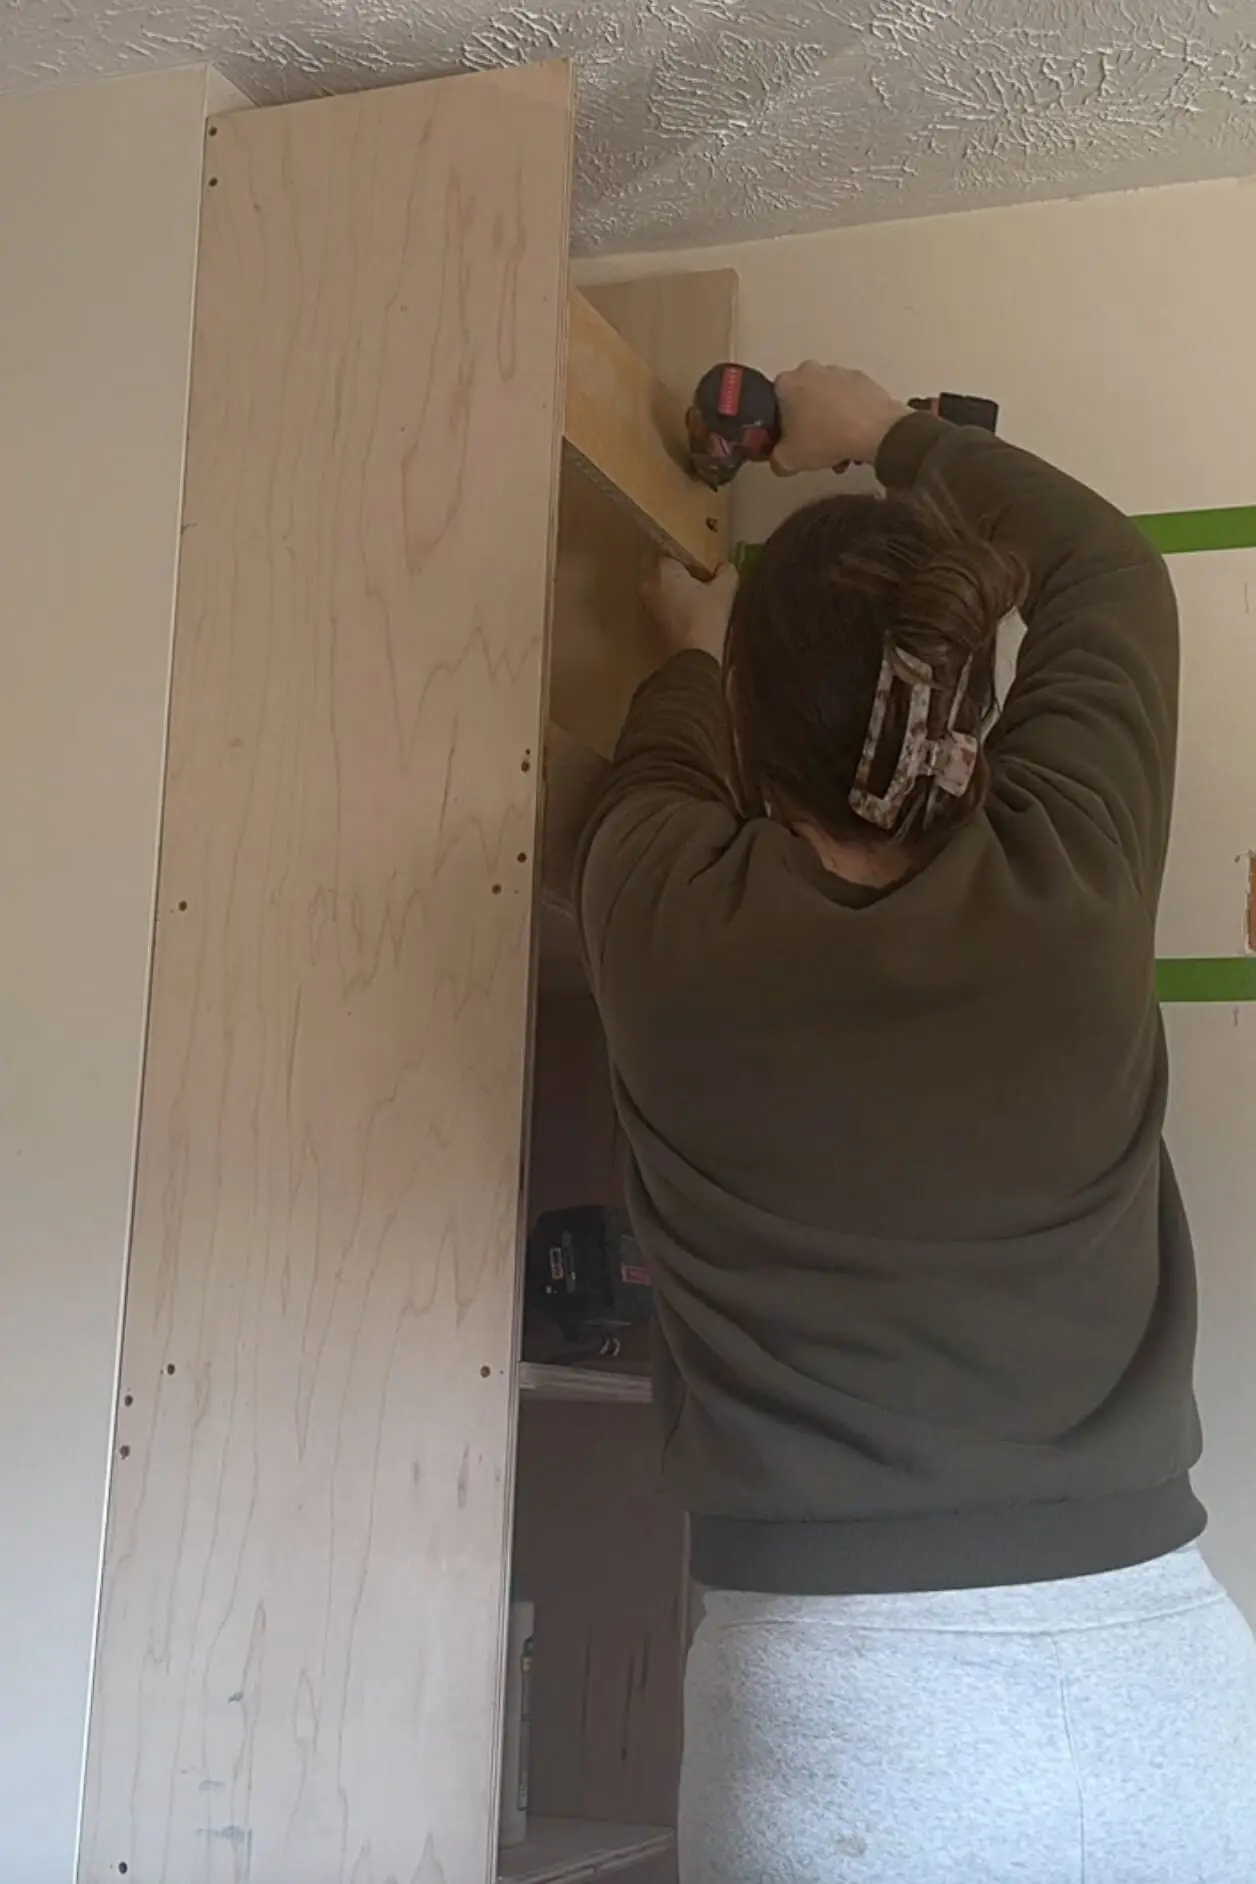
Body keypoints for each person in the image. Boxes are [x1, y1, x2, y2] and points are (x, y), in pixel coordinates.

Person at [572, 363, 1256, 1883]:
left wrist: (691, 653)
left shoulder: (663, 914)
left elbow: (665, 765)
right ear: (976, 701)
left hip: (846, 1717)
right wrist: (886, 436)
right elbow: (1109, 567)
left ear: (753, 732)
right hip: (1164, 1685)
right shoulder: (1067, 873)